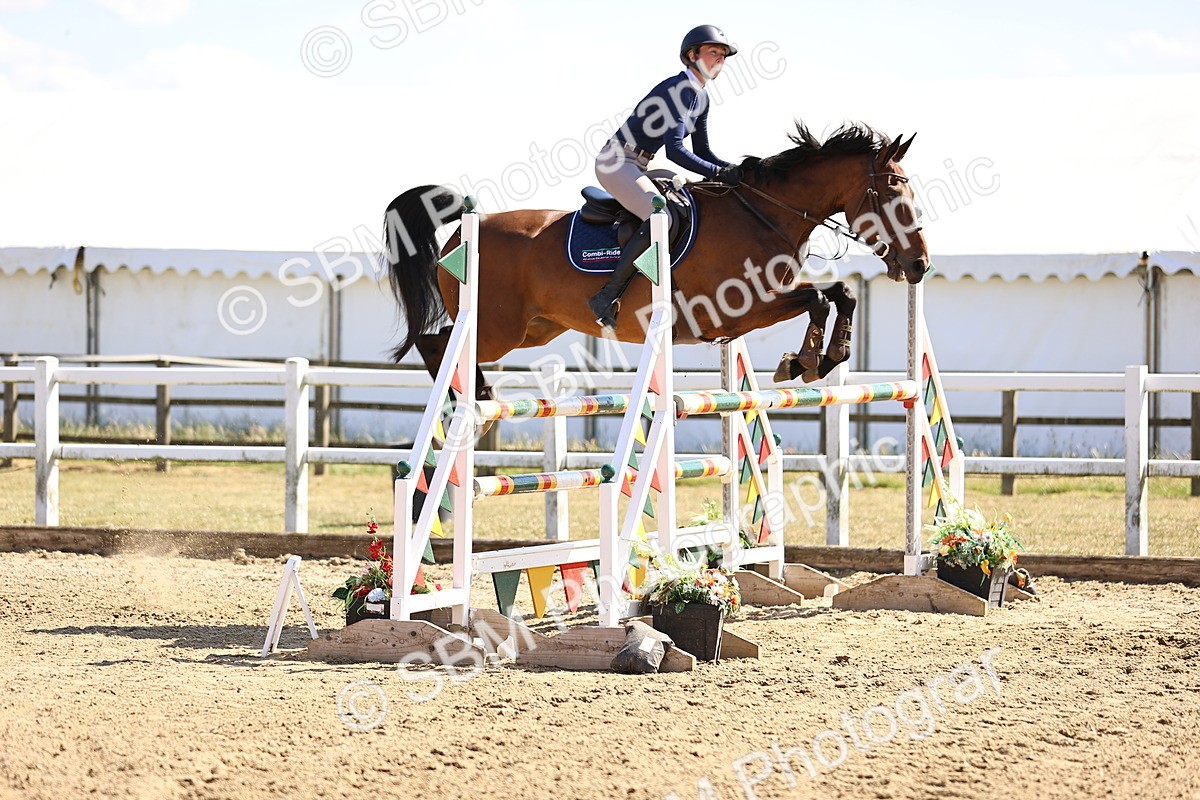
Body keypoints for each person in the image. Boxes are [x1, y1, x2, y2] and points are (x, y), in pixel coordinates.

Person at [587, 24, 745, 329]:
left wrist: (739, 172)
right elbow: (675, 151)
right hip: (616, 161)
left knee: (688, 204)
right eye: (714, 52)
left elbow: (704, 151)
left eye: (723, 56)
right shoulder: (680, 89)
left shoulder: (702, 97)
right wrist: (719, 173)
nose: (720, 60)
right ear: (692, 55)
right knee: (663, 218)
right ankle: (606, 296)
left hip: (639, 164)